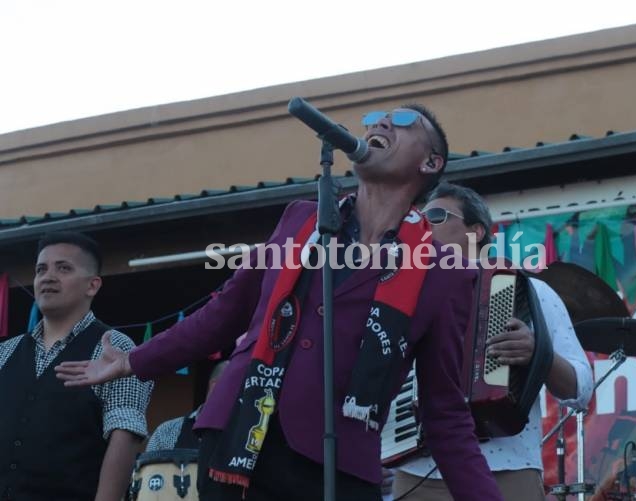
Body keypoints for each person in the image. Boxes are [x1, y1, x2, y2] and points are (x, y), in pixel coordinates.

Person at [55, 105, 504, 501]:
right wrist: (134, 361)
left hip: (337, 466)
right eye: (376, 118)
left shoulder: (445, 270)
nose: (383, 120)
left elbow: (444, 412)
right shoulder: (298, 221)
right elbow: (223, 313)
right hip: (235, 445)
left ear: (431, 162)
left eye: (405, 121)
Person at [392, 183, 593, 501]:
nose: (424, 224)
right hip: (416, 472)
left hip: (505, 472)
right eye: (419, 216)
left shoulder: (534, 292)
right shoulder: (402, 293)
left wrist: (538, 354)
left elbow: (580, 391)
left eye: (436, 215)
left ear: (475, 231)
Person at [0, 231, 153, 501]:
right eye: (41, 269)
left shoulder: (115, 348)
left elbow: (125, 435)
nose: (48, 277)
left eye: (64, 268)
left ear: (92, 285)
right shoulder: (6, 352)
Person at [146, 360, 229, 451]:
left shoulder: (244, 436)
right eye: (239, 388)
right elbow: (149, 464)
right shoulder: (167, 432)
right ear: (215, 386)